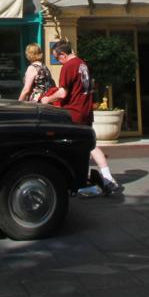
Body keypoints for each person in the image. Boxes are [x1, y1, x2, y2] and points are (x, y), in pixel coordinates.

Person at [40, 40, 123, 195]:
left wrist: (46, 99)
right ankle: (107, 178)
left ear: (63, 54)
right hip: (86, 110)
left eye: (58, 58)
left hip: (73, 112)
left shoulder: (68, 66)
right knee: (90, 144)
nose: (58, 61)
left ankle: (76, 179)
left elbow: (63, 93)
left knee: (68, 146)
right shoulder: (83, 64)